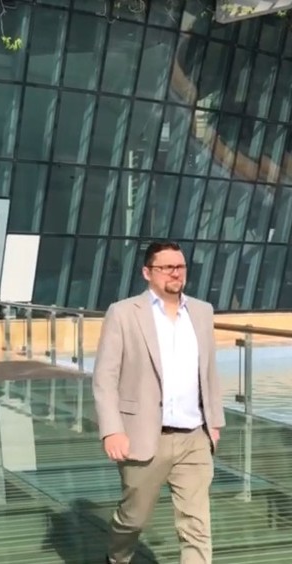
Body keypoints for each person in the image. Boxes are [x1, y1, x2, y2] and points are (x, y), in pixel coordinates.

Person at [93, 241, 225, 564]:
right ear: (147, 273)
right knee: (133, 519)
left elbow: (208, 371)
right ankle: (117, 556)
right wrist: (112, 430)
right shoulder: (123, 313)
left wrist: (214, 423)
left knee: (196, 525)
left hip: (195, 437)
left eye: (180, 267)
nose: (175, 273)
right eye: (167, 267)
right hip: (143, 436)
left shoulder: (202, 311)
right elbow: (105, 378)